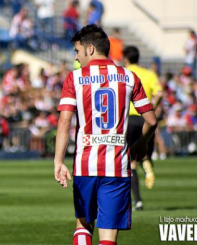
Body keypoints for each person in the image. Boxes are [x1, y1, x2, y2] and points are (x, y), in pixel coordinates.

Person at [54, 25, 157, 245]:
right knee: (108, 236)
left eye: (77, 50)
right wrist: (142, 143)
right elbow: (151, 121)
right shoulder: (129, 77)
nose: (76, 56)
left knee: (83, 224)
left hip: (85, 165)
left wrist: (58, 161)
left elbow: (64, 122)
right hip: (117, 167)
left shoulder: (74, 78)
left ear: (90, 49)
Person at [123, 46, 163, 210]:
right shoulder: (149, 74)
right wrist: (152, 107)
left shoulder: (123, 73)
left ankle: (138, 201)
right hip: (146, 118)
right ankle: (147, 163)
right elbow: (160, 93)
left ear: (125, 58)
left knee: (130, 161)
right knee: (144, 148)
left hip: (129, 120)